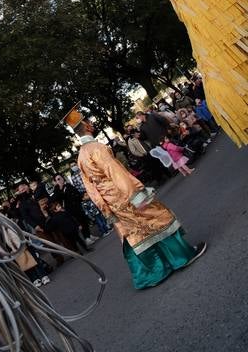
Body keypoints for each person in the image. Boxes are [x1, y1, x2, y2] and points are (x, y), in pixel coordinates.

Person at [69, 111, 206, 290]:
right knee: (157, 218)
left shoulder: (81, 156)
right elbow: (115, 172)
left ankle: (155, 272)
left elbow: (91, 189)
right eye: (89, 121)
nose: (92, 123)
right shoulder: (96, 147)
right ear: (86, 126)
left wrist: (106, 210)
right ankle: (182, 256)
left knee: (137, 233)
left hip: (113, 202)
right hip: (124, 193)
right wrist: (136, 194)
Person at [52, 173, 96, 245]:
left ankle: (89, 235)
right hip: (70, 209)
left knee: (84, 220)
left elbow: (76, 192)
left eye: (60, 178)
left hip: (77, 206)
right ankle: (86, 238)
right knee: (80, 223)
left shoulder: (68, 185)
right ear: (55, 182)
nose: (60, 180)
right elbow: (60, 198)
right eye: (57, 180)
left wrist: (81, 197)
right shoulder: (57, 190)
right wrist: (60, 188)